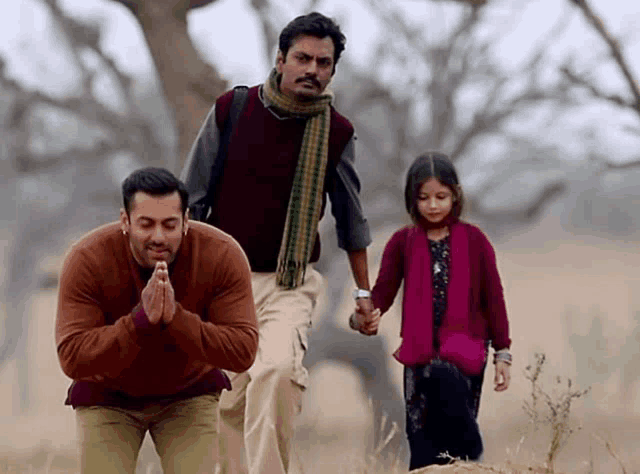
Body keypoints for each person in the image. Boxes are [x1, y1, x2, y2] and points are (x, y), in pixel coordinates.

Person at [180, 11, 375, 474]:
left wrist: (364, 295)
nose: (312, 69)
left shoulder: (337, 132)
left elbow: (351, 219)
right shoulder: (234, 109)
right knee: (226, 401)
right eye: (303, 58)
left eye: (323, 63)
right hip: (222, 285)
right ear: (280, 59)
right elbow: (191, 199)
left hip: (290, 284)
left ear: (331, 71)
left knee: (278, 373)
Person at [55, 167, 259, 474]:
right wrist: (139, 321)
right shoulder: (87, 259)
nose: (159, 237)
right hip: (108, 396)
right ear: (125, 221)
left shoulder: (221, 254)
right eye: (146, 225)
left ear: (187, 221)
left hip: (188, 394)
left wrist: (176, 318)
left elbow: (243, 350)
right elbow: (72, 357)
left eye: (170, 224)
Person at [351, 152, 512, 469]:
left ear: (455, 195)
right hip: (418, 356)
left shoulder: (475, 240)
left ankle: (470, 453)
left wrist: (502, 353)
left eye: (441, 196)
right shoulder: (402, 242)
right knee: (422, 445)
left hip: (465, 355)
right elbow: (383, 291)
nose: (433, 205)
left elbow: (494, 298)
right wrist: (363, 316)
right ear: (412, 199)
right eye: (424, 197)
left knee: (456, 441)